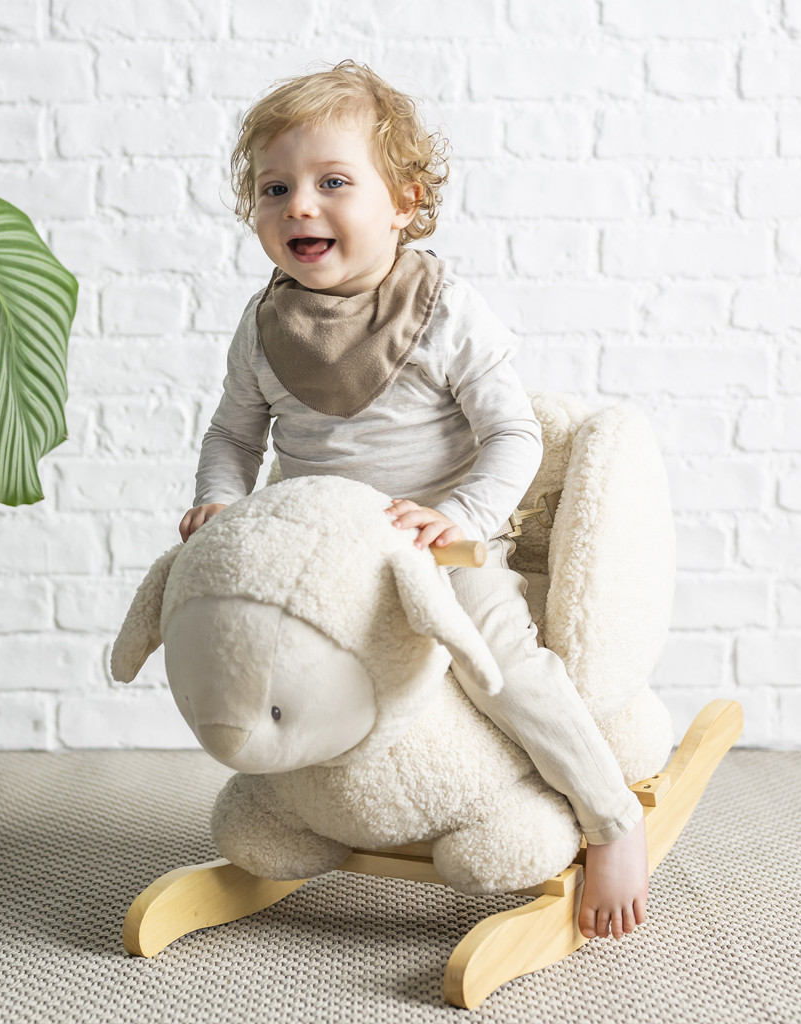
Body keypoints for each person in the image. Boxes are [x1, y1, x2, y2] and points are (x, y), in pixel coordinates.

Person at [178, 60, 648, 941]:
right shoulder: (265, 325)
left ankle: (610, 817)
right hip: (323, 558)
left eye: (333, 182)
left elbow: (515, 434)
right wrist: (220, 501)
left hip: (436, 545)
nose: (299, 206)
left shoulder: (442, 309)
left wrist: (461, 518)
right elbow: (233, 438)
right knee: (240, 641)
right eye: (276, 188)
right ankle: (302, 804)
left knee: (502, 667)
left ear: (404, 201)